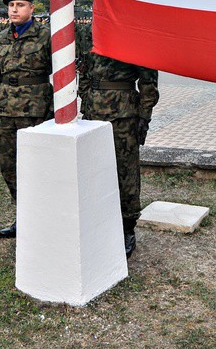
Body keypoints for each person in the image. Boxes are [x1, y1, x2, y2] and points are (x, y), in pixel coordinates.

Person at [77, 15, 159, 259]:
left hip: (123, 115)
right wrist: (85, 99)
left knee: (125, 171)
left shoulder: (134, 33)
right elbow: (84, 69)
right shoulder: (89, 32)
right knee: (95, 169)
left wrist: (143, 116)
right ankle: (100, 221)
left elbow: (148, 82)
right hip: (92, 113)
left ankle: (127, 227)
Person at [0, 0, 54, 238]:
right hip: (7, 113)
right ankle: (24, 217)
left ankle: (45, 217)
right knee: (9, 166)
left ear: (32, 8)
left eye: (20, 5)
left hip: (36, 113)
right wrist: (1, 99)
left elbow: (60, 70)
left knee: (38, 167)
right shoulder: (2, 37)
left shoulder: (46, 35)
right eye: (11, 5)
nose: (14, 9)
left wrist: (48, 105)